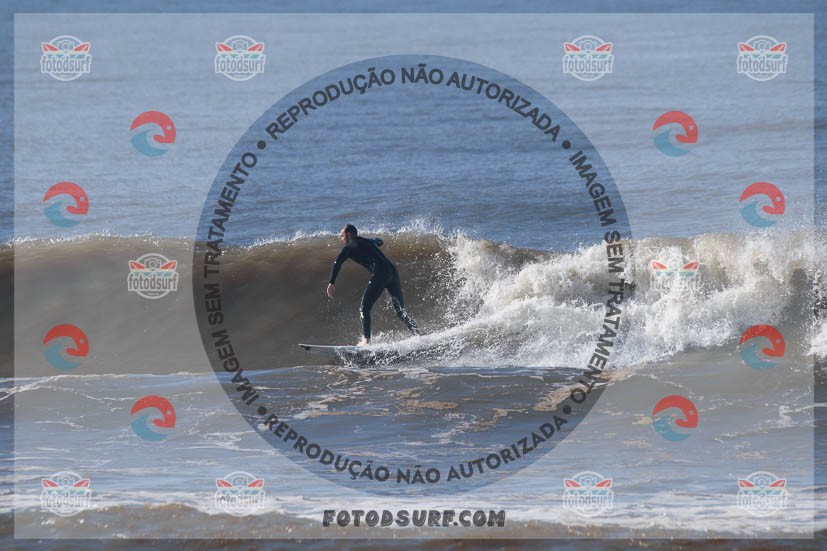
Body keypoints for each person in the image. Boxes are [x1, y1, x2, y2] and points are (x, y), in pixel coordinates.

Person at [326, 224, 419, 345]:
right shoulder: (368, 242)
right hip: (393, 272)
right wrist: (372, 242)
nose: (341, 238)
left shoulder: (350, 246)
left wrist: (331, 282)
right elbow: (379, 241)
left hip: (380, 274)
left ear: (349, 235)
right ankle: (417, 334)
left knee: (364, 308)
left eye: (342, 236)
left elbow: (337, 262)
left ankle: (366, 340)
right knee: (400, 311)